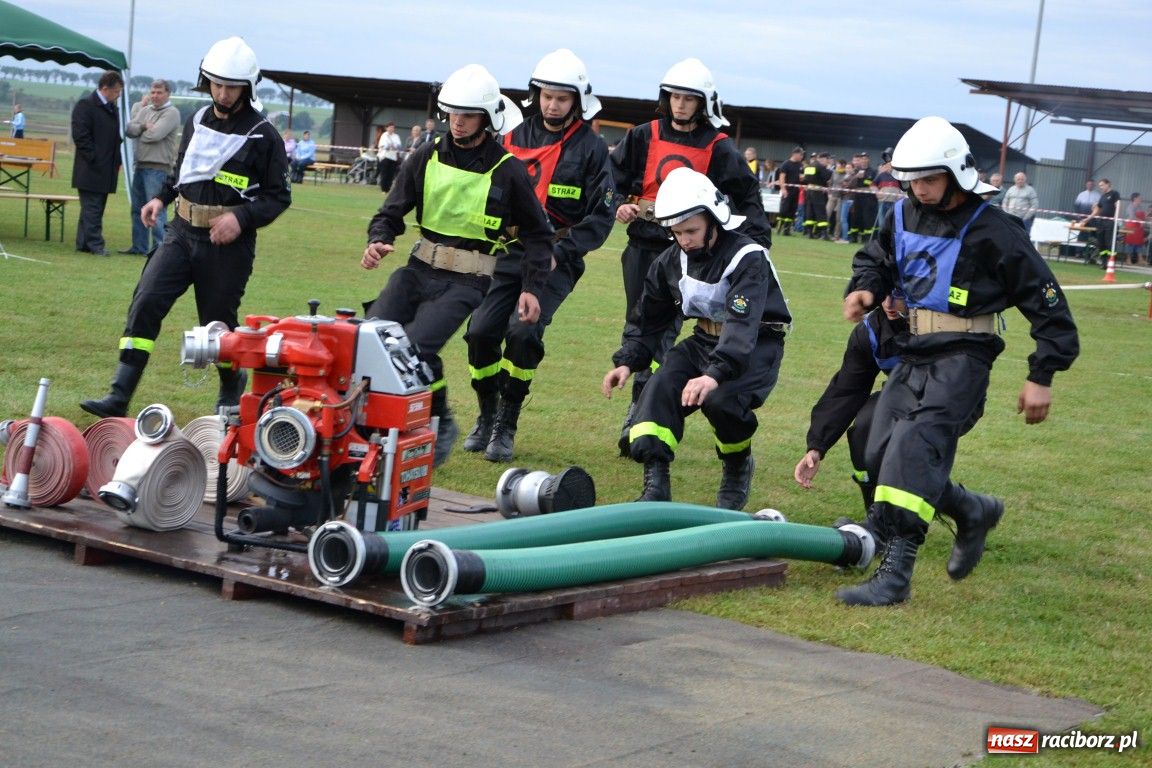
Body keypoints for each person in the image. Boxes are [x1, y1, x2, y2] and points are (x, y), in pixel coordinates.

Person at [840, 116, 1079, 607]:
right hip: (913, 351)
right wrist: (865, 288)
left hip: (964, 359)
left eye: (930, 179)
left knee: (911, 447)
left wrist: (1042, 375)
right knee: (876, 449)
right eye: (913, 180)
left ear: (956, 174)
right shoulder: (901, 215)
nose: (920, 189)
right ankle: (971, 510)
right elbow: (876, 260)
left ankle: (895, 577)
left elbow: (1048, 306)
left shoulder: (997, 230)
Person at [80, 37, 291, 419]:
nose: (223, 93)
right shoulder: (196, 120)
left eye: (232, 87)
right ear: (206, 81)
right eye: (217, 84)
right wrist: (160, 198)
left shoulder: (264, 134)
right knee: (146, 302)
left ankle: (230, 386)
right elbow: (183, 172)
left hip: (227, 247)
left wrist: (240, 218)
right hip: (180, 232)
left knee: (217, 328)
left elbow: (279, 196)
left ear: (247, 87)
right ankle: (118, 395)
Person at [359, 64, 552, 468]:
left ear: (487, 117)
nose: (457, 121)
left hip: (468, 280)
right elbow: (390, 212)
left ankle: (440, 418)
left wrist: (531, 288)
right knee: (372, 339)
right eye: (451, 113)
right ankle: (376, 432)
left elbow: (538, 235)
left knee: (415, 348)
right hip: (416, 270)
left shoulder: (508, 170)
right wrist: (379, 239)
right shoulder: (425, 155)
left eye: (467, 114)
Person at [609, 58, 772, 456]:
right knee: (645, 324)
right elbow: (611, 178)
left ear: (704, 103)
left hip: (695, 253)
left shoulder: (719, 147)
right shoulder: (643, 135)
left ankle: (645, 410)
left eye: (689, 98)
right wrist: (618, 203)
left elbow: (748, 198)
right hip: (645, 246)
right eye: (675, 97)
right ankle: (642, 410)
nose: (680, 105)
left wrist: (752, 249)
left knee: (672, 333)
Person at [602, 167, 790, 509]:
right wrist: (628, 360)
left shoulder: (748, 257)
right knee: (657, 389)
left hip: (755, 345)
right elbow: (649, 319)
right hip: (703, 339)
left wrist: (713, 375)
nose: (684, 240)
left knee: (721, 401)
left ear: (714, 220)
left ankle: (737, 466)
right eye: (676, 233)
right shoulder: (670, 260)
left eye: (691, 231)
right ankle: (656, 485)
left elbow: (741, 327)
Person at [461, 49, 615, 462]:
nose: (552, 105)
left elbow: (602, 216)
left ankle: (506, 422)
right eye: (547, 96)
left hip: (557, 258)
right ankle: (486, 414)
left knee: (523, 332)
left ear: (577, 101)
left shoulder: (593, 149)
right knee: (480, 332)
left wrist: (561, 250)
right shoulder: (511, 137)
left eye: (562, 98)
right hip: (507, 253)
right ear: (536, 95)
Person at [121, 79, 181, 255]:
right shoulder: (146, 110)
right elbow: (129, 130)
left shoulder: (172, 113)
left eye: (159, 92)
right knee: (137, 209)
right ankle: (138, 247)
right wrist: (143, 127)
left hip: (158, 168)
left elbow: (154, 135)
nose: (155, 96)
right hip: (140, 166)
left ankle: (160, 250)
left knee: (156, 211)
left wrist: (139, 131)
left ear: (168, 93)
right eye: (152, 92)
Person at [71, 70, 124, 257]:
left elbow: (115, 138)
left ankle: (83, 243)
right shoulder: (85, 106)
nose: (118, 95)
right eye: (116, 91)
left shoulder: (112, 109)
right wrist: (94, 158)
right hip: (90, 169)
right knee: (92, 208)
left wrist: (116, 161)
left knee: (94, 208)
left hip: (106, 169)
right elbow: (80, 136)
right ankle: (96, 245)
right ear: (105, 88)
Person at [1082, 178, 1121, 266]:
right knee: (1101, 243)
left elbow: (1118, 205)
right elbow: (1096, 210)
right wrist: (1087, 219)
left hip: (1110, 222)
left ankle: (1111, 262)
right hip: (1101, 222)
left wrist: (1115, 218)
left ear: (1108, 184)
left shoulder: (1114, 193)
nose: (1101, 187)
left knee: (1109, 243)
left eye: (1102, 185)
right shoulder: (1102, 197)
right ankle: (1104, 262)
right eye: (1100, 186)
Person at [844, 151, 877, 243]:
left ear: (868, 160)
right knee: (855, 216)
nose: (863, 160)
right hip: (857, 196)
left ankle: (866, 237)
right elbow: (849, 183)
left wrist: (864, 178)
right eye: (862, 159)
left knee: (867, 217)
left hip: (868, 197)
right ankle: (854, 236)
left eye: (865, 159)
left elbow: (873, 183)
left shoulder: (872, 171)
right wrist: (856, 177)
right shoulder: (856, 171)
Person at [774, 146, 805, 235]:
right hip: (787, 190)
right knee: (784, 210)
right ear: (795, 154)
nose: (802, 156)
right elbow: (782, 177)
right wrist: (783, 189)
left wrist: (803, 178)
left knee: (792, 210)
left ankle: (787, 230)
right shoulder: (786, 164)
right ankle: (779, 228)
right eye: (800, 154)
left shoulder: (800, 165)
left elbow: (801, 178)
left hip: (796, 191)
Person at [802, 151, 832, 239]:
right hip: (818, 192)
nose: (829, 161)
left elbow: (805, 179)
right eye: (828, 159)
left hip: (809, 191)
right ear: (823, 159)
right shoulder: (821, 167)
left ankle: (809, 233)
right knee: (821, 212)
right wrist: (829, 169)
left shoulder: (809, 166)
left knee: (810, 211)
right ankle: (824, 234)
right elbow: (826, 177)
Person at [376, 121, 402, 192]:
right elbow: (382, 145)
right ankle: (383, 189)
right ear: (387, 128)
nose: (391, 129)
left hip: (393, 157)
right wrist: (389, 146)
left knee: (391, 174)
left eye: (393, 128)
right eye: (390, 127)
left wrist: (394, 146)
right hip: (384, 157)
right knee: (384, 173)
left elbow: (399, 145)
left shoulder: (396, 136)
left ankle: (388, 188)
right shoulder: (384, 135)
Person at [1122, 192, 1147, 266]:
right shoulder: (1130, 207)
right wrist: (1140, 221)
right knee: (1130, 243)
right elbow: (1132, 216)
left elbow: (1143, 216)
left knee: (1139, 243)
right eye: (1139, 197)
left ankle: (1140, 260)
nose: (1141, 199)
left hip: (1139, 228)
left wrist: (1146, 218)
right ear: (1135, 198)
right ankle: (1128, 259)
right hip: (1131, 227)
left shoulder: (1140, 207)